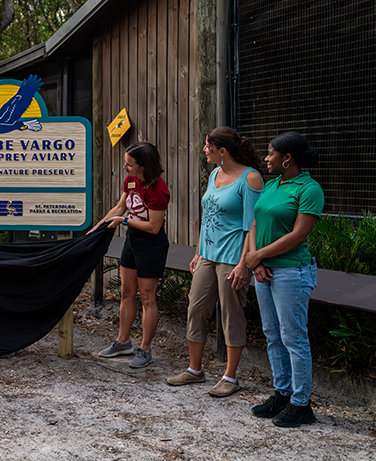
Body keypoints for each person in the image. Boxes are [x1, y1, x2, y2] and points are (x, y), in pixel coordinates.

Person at [166, 127, 263, 397]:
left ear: (223, 151)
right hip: (208, 256)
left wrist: (244, 263)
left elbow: (252, 224)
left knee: (231, 316)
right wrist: (198, 252)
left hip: (233, 258)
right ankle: (195, 370)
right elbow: (207, 216)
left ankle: (230, 377)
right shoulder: (214, 174)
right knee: (195, 308)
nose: (204, 150)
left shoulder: (251, 178)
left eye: (208, 146)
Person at [245, 131, 323, 428]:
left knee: (293, 337)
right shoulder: (272, 184)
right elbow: (254, 222)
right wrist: (256, 261)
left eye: (270, 154)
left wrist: (258, 256)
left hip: (292, 272)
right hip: (264, 270)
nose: (266, 158)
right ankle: (282, 393)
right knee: (272, 334)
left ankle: (301, 404)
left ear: (286, 158)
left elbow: (298, 235)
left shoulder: (309, 189)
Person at [95, 142, 170, 368]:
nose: (125, 167)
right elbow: (119, 208)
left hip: (151, 243)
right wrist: (97, 227)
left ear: (143, 166)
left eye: (129, 164)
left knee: (147, 297)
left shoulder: (158, 189)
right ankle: (122, 342)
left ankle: (145, 349)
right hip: (133, 240)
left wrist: (125, 221)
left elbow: (154, 226)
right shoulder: (131, 180)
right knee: (127, 292)